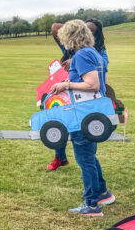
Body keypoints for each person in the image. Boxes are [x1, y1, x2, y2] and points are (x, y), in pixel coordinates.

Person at [49, 20, 115, 216]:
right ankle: (103, 192)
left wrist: (66, 85)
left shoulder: (82, 55)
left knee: (84, 159)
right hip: (92, 112)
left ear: (70, 37)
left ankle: (92, 205)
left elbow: (92, 84)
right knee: (89, 156)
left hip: (84, 113)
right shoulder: (93, 52)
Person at [47, 19, 109, 171]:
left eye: (90, 30)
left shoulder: (86, 53)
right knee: (60, 123)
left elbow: (95, 82)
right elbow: (56, 27)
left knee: (85, 154)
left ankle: (95, 194)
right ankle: (60, 157)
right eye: (85, 29)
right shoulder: (81, 50)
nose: (88, 31)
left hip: (84, 104)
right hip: (77, 100)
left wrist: (69, 79)